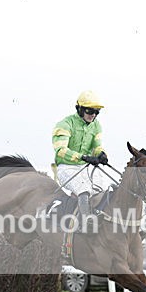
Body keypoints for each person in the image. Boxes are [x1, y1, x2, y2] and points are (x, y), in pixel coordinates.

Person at [52, 90, 108, 225]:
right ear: (80, 109)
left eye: (96, 112)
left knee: (102, 191)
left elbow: (96, 146)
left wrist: (101, 154)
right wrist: (83, 157)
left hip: (85, 167)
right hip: (66, 167)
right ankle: (87, 221)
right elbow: (60, 151)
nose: (93, 115)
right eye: (89, 111)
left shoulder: (96, 125)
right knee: (84, 191)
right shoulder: (65, 124)